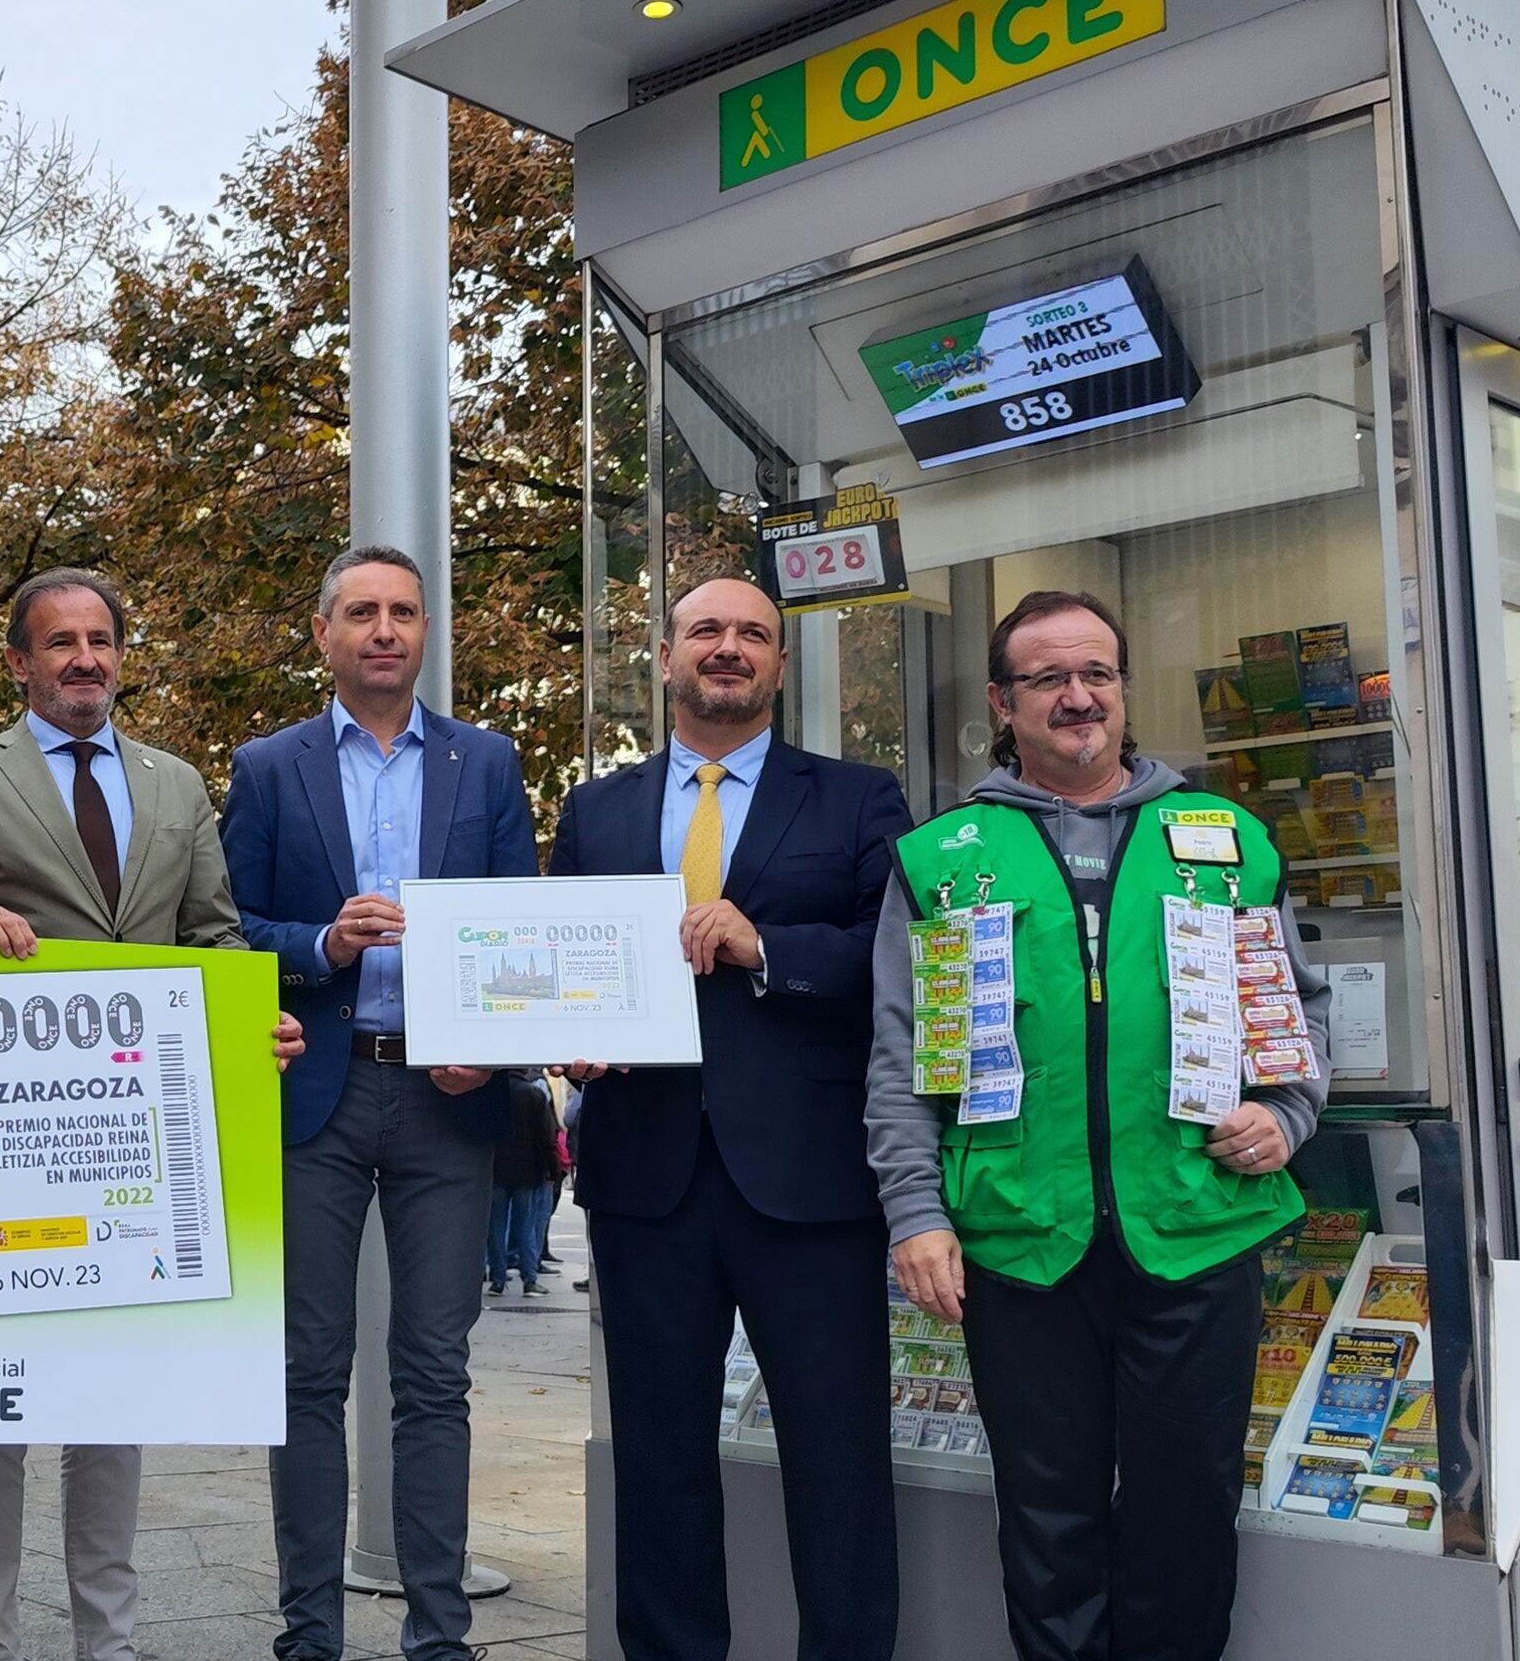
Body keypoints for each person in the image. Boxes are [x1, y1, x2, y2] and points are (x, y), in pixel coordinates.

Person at [867, 590, 1328, 1661]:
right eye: (1047, 679)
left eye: (1097, 674)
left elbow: (1293, 1014)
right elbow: (899, 1055)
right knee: (1048, 1527)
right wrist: (914, 1212)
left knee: (1186, 1517)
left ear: (1121, 688)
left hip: (1196, 1227)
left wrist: (1285, 1111)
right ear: (1002, 702)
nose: (1077, 696)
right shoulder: (942, 856)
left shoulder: (1226, 841)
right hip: (1020, 1240)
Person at [548, 573, 913, 1661]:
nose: (728, 647)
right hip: (645, 1178)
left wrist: (768, 948)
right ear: (664, 656)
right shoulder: (596, 809)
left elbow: (897, 959)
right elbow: (565, 962)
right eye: (705, 629)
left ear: (778, 665)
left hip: (810, 1182)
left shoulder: (858, 797)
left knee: (838, 1460)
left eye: (753, 633)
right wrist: (570, 1036)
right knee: (657, 1459)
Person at [0, 567, 275, 1661]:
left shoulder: (177, 784)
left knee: (112, 1408)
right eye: (60, 642)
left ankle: (107, 1642)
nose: (84, 658)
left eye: (100, 640)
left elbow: (213, 937)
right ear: (18, 662)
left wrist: (251, 1021)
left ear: (121, 654)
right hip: (8, 1141)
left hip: (134, 1143)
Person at [222, 545, 539, 1661]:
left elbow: (518, 923)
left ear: (425, 629)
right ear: (324, 633)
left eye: (404, 610)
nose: (385, 628)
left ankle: (438, 1634)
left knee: (434, 1374)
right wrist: (323, 940)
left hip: (447, 1095)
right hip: (318, 1084)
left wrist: (489, 1048)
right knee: (306, 1370)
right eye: (361, 611)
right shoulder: (269, 766)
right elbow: (230, 926)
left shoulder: (485, 761)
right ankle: (308, 1632)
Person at [487, 1072, 563, 1296]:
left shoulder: (492, 1093)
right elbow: (546, 1136)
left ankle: (497, 1279)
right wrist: (553, 1170)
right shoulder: (533, 1094)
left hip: (496, 1168)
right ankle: (529, 1279)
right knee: (526, 1226)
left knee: (496, 1226)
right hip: (527, 1170)